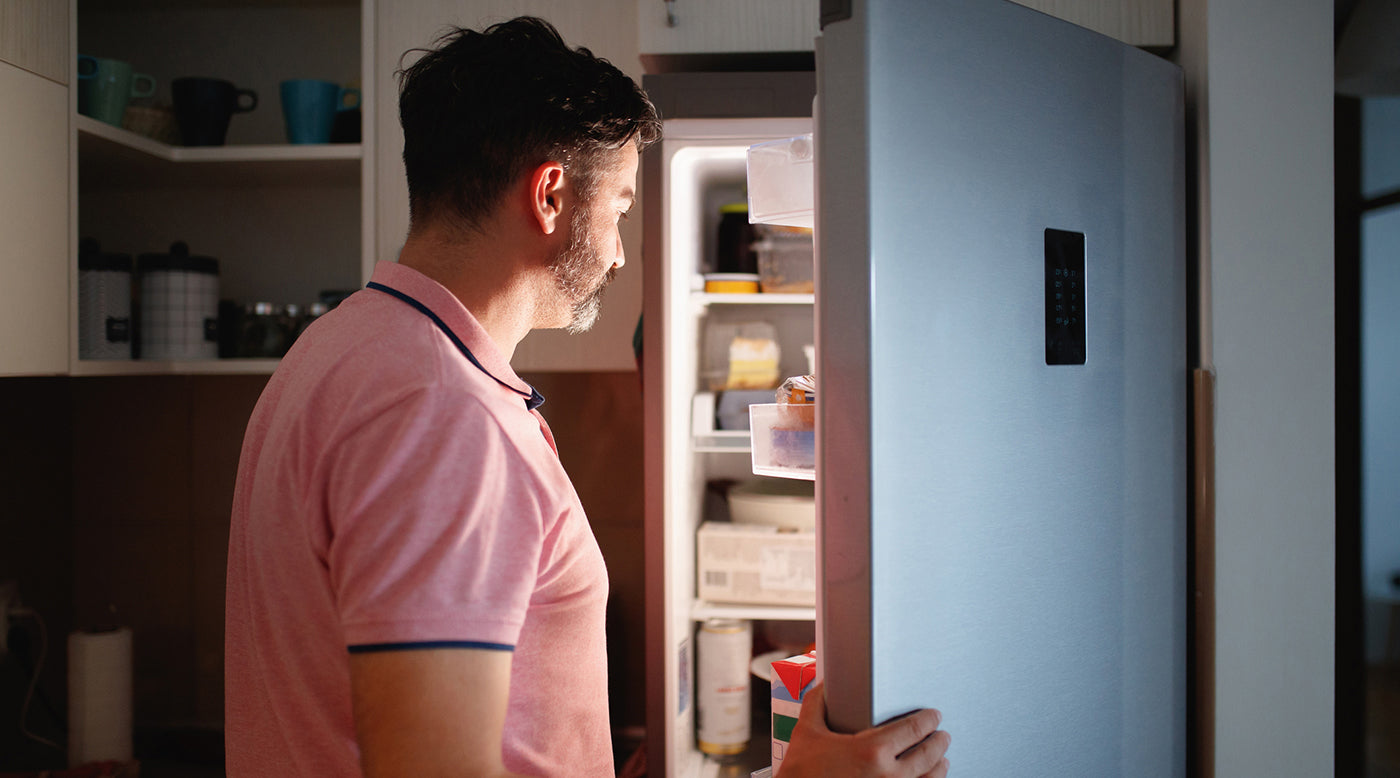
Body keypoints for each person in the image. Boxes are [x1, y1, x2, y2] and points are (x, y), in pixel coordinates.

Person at [224, 16, 950, 778]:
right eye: (622, 211)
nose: (619, 254)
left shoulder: (338, 348)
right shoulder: (443, 413)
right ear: (550, 196)